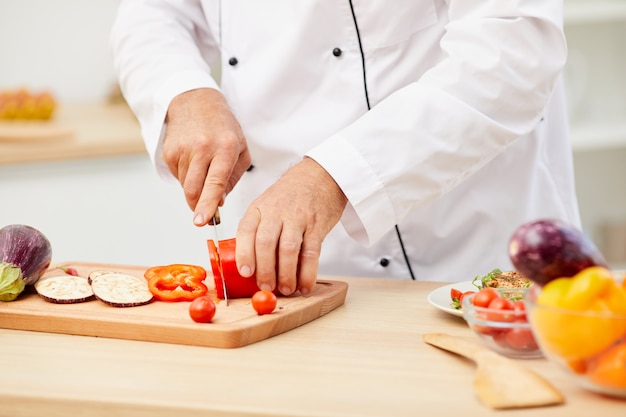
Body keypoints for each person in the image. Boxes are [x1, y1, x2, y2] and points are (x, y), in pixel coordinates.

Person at [110, 1, 581, 295]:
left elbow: (510, 55)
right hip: (295, 279)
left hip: (471, 246)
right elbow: (153, 13)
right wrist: (184, 91)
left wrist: (334, 177)